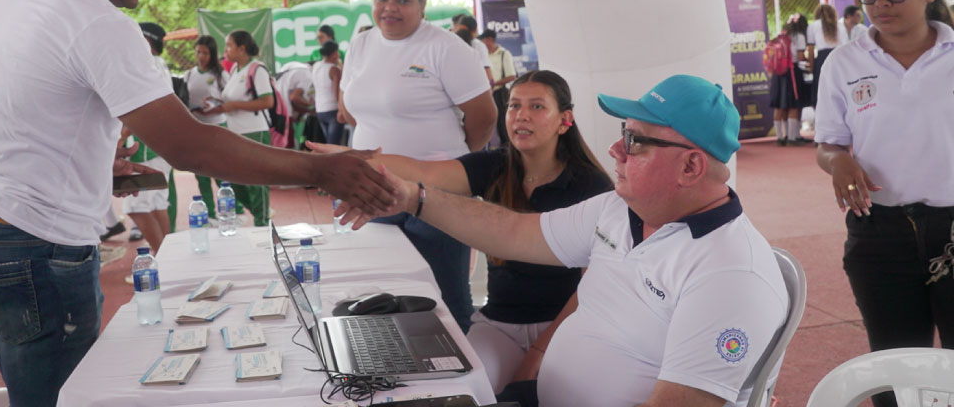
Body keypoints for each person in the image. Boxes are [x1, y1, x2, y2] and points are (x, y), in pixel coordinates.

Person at [0, 0, 395, 407]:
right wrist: (322, 171)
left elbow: (15, 110)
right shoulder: (99, 22)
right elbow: (190, 148)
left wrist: (90, 163)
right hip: (35, 246)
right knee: (61, 399)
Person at [337, 74, 788, 407]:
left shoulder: (731, 275)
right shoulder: (619, 210)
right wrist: (410, 197)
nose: (616, 149)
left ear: (690, 167)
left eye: (634, 141)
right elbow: (513, 231)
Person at [312, 70, 612, 391]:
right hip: (500, 325)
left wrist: (538, 351)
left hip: (566, 327)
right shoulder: (494, 166)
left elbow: (593, 284)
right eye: (513, 106)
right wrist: (351, 160)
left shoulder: (592, 186)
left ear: (564, 120)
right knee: (467, 389)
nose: (521, 116)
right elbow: (421, 171)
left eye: (537, 107)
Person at [815, 0, 954, 407]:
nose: (880, 2)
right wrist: (839, 161)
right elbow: (828, 144)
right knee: (894, 371)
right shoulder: (843, 62)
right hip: (879, 233)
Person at [340, 0, 496, 331]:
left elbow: (484, 116)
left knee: (444, 295)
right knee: (378, 295)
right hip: (371, 190)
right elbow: (350, 109)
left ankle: (459, 378)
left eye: (403, 0)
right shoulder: (360, 44)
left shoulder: (446, 48)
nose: (389, 8)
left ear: (423, 3)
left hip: (435, 193)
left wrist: (456, 162)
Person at [201, 29, 275, 226]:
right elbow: (233, 99)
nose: (226, 50)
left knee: (256, 181)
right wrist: (217, 103)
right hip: (235, 132)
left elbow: (267, 102)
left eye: (229, 46)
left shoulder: (257, 69)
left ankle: (262, 222)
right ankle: (261, 212)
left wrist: (234, 106)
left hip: (254, 130)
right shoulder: (235, 70)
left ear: (242, 49)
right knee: (230, 177)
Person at [119, 22, 173, 254]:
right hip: (161, 146)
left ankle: (162, 259)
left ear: (146, 41)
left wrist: (122, 135)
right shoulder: (159, 65)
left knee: (136, 206)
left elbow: (145, 107)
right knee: (157, 203)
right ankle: (170, 257)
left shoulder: (144, 64)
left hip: (146, 149)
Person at [173, 34, 228, 223]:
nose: (201, 56)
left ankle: (229, 210)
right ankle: (209, 213)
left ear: (212, 54)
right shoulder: (189, 74)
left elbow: (229, 100)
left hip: (217, 125)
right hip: (196, 126)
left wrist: (214, 105)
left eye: (205, 53)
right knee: (201, 172)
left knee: (222, 171)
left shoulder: (220, 75)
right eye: (198, 52)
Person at [770, 12, 811, 146]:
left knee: (779, 105)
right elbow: (800, 56)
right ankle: (792, 138)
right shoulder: (799, 36)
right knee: (793, 104)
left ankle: (780, 137)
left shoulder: (780, 36)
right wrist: (808, 60)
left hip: (778, 73)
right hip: (792, 72)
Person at [480, 28, 518, 146]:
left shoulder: (503, 54)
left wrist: (492, 84)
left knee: (503, 126)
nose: (481, 44)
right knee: (485, 127)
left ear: (490, 40)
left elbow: (512, 76)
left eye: (483, 40)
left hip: (499, 94)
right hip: (485, 95)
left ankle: (508, 152)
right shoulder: (482, 55)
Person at [806, 4, 846, 107]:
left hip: (822, 58)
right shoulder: (840, 25)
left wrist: (811, 65)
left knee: (820, 87)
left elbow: (810, 49)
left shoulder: (813, 25)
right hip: (839, 58)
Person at [276, 60, 314, 149]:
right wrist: (309, 106)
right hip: (286, 112)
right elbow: (294, 97)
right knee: (289, 146)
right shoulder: (308, 74)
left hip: (276, 109)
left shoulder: (292, 66)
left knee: (280, 145)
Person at [312, 40, 344, 144]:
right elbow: (337, 93)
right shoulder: (334, 70)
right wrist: (342, 110)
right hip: (333, 111)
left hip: (320, 110)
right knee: (334, 146)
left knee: (329, 144)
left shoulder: (316, 66)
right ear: (334, 53)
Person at [453, 13, 494, 86]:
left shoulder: (451, 44)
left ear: (457, 27)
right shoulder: (478, 46)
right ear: (475, 30)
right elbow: (488, 74)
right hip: (474, 88)